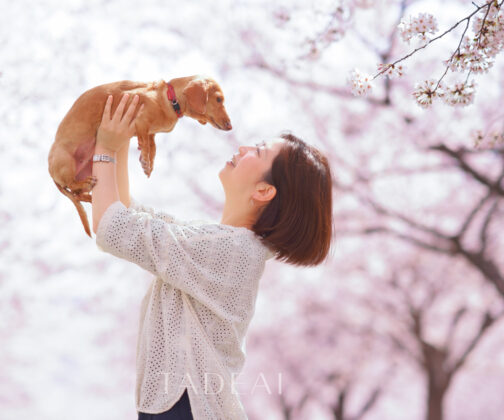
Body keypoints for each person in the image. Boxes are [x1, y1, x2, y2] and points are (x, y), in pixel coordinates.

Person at [91, 93, 333, 420]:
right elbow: (129, 214)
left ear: (264, 191)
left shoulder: (228, 250)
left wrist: (105, 150)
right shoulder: (226, 244)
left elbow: (114, 228)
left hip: (184, 407)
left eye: (258, 151)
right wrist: (118, 142)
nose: (244, 148)